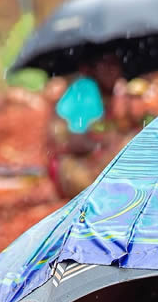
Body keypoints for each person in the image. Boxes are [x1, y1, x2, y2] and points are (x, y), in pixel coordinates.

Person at [46, 54, 147, 200]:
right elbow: (76, 141)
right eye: (105, 65)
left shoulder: (107, 93)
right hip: (70, 171)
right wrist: (107, 144)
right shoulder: (86, 90)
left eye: (115, 65)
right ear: (93, 69)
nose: (112, 71)